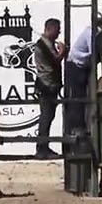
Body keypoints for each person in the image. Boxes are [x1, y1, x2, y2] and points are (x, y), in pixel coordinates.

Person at [65, 12, 102, 135]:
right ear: (101, 24)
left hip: (86, 65)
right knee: (78, 96)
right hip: (76, 65)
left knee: (87, 95)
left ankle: (85, 125)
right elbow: (95, 54)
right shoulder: (91, 34)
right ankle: (76, 127)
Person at [32, 18, 66, 159]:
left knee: (48, 116)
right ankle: (42, 148)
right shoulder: (42, 46)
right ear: (49, 29)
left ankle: (44, 147)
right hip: (46, 85)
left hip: (50, 85)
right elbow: (53, 63)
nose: (59, 32)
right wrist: (62, 53)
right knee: (46, 116)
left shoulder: (48, 44)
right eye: (57, 29)